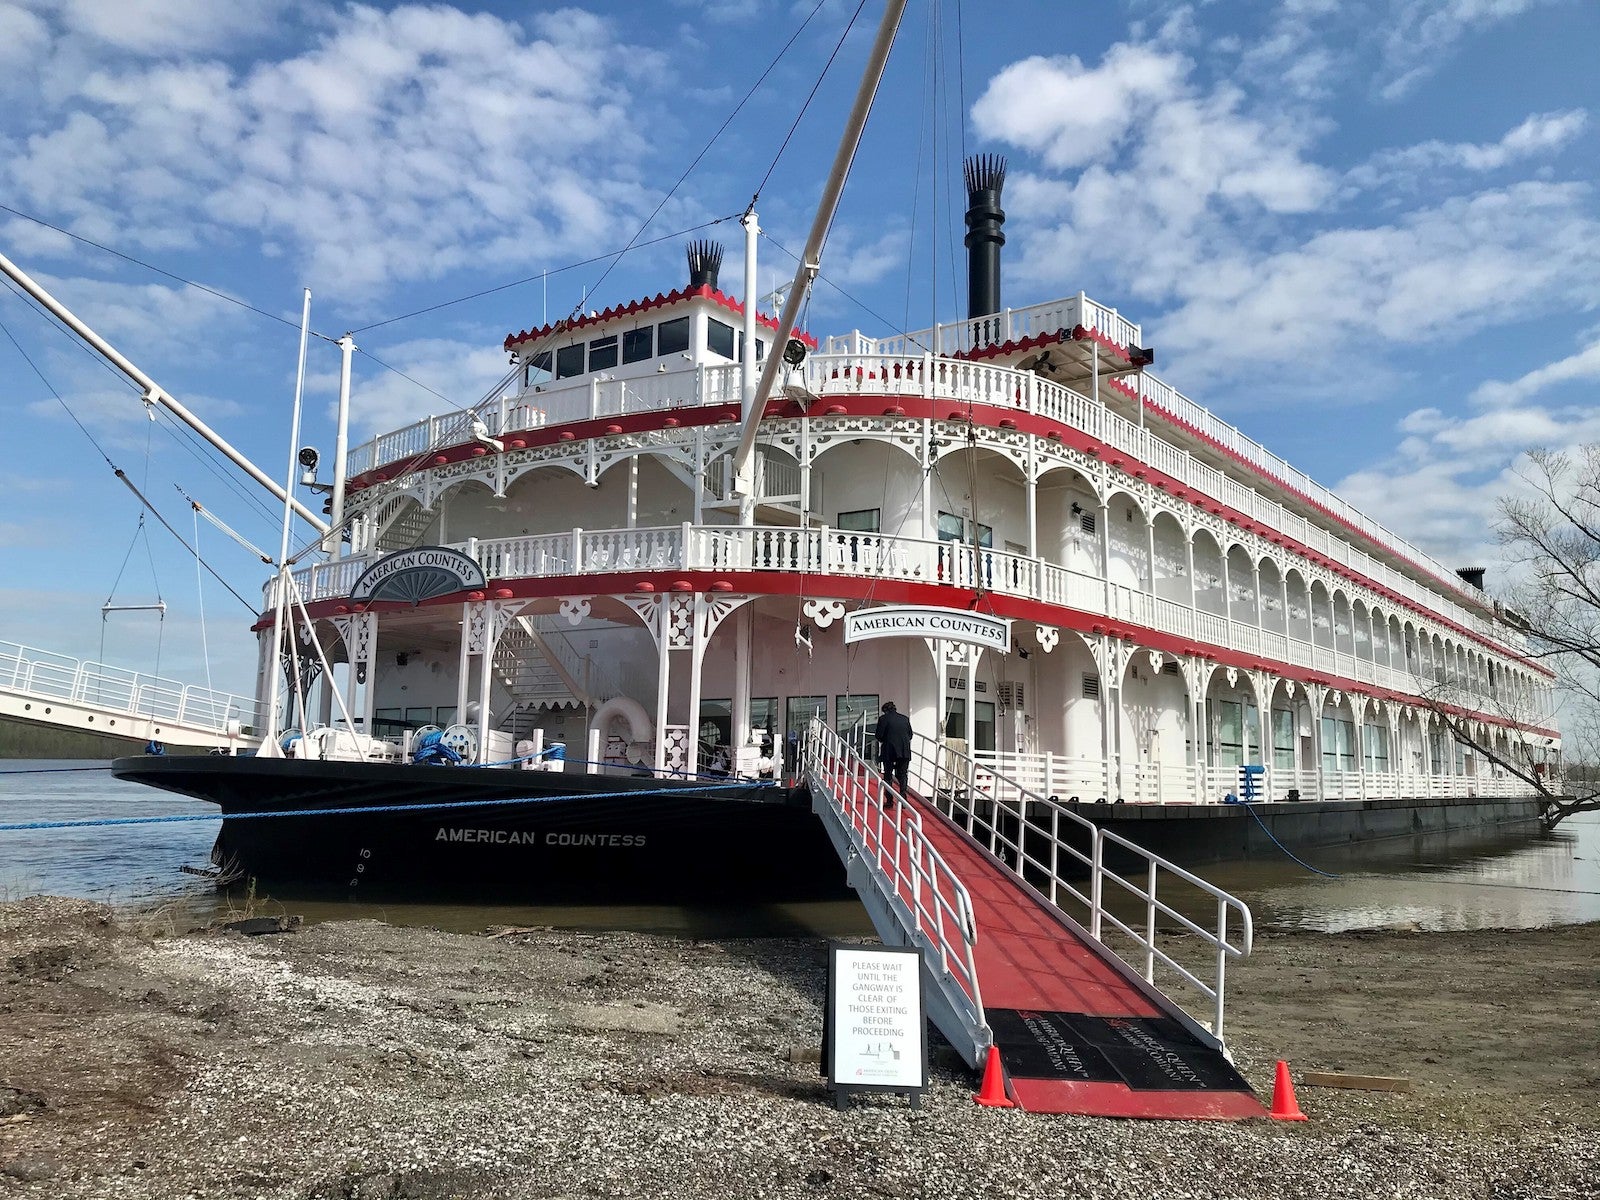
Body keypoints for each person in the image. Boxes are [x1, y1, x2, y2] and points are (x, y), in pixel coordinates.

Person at [873, 701, 912, 800]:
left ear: (885, 711)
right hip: (904, 751)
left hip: (889, 751)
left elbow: (879, 735)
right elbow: (910, 735)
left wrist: (884, 740)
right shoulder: (905, 719)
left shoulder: (883, 719)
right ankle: (903, 797)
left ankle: (889, 799)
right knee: (902, 774)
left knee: (888, 775)